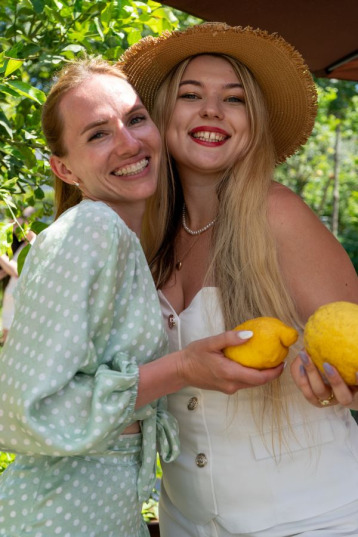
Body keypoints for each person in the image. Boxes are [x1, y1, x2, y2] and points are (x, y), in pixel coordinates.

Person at [0, 57, 283, 537]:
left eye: (134, 119)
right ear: (64, 169)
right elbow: (22, 412)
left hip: (99, 511)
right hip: (59, 517)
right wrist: (184, 368)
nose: (130, 143)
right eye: (98, 134)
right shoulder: (90, 229)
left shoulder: (127, 241)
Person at [121, 23, 358, 536]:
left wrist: (344, 388)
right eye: (191, 95)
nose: (211, 110)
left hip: (314, 520)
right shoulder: (142, 234)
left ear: (253, 124)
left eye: (235, 99)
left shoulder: (280, 215)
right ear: (159, 117)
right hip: (184, 520)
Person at [0, 209, 36, 343]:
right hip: (11, 301)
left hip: (19, 304)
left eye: (16, 226)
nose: (15, 230)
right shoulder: (22, 247)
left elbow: (17, 271)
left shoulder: (35, 245)